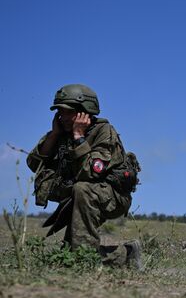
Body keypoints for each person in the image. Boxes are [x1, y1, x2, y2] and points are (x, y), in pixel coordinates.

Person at [27, 84, 142, 269]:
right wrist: (54, 135)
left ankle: (84, 260)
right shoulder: (60, 134)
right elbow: (33, 164)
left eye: (67, 112)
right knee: (66, 255)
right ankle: (126, 256)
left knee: (82, 189)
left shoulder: (104, 132)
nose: (62, 117)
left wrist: (79, 137)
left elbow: (90, 172)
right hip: (81, 197)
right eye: (59, 112)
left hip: (111, 197)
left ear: (84, 112)